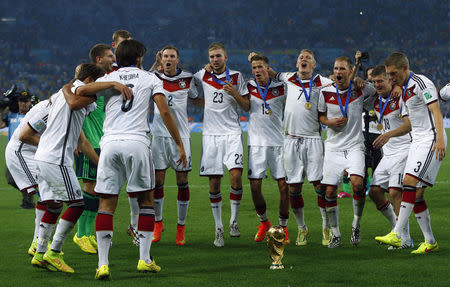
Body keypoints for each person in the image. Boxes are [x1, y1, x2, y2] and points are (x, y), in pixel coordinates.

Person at [92, 39, 186, 279]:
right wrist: (178, 142)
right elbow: (164, 111)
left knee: (106, 204)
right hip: (137, 142)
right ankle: (144, 259)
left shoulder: (106, 80)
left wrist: (110, 83)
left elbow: (80, 92)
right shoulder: (150, 78)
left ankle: (103, 264)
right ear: (139, 59)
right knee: (146, 200)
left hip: (110, 143)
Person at [31, 63, 129, 273]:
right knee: (77, 204)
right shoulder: (80, 97)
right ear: (90, 81)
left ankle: (40, 253)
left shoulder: (61, 92)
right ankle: (54, 253)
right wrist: (111, 83)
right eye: (99, 84)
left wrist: (100, 163)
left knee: (55, 205)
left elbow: (82, 141)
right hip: (56, 158)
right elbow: (76, 101)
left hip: (43, 156)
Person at [375, 52, 447, 254]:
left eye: (393, 74)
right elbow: (410, 124)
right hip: (417, 140)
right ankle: (430, 241)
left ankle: (398, 233)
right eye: (388, 75)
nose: (390, 78)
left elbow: (436, 111)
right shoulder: (404, 89)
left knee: (408, 182)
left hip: (431, 139)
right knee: (416, 194)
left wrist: (440, 139)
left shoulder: (421, 83)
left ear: (405, 69)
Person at [263, 49, 335, 246]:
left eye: (308, 58)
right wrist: (255, 59)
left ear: (314, 64)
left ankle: (325, 227)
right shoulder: (288, 78)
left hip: (312, 139)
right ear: (296, 64)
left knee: (319, 186)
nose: (303, 60)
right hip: (290, 140)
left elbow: (343, 84)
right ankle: (302, 229)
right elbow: (268, 71)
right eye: (301, 58)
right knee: (293, 188)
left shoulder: (324, 82)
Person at [318, 53, 377, 248]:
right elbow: (321, 117)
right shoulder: (325, 92)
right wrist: (330, 122)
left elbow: (378, 90)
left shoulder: (360, 90)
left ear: (350, 72)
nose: (338, 72)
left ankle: (356, 225)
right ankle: (335, 234)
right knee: (329, 190)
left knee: (358, 185)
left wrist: (362, 81)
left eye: (342, 68)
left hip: (354, 145)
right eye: (335, 69)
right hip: (333, 147)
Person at [194, 42, 249, 247]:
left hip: (232, 133)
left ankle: (233, 220)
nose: (215, 60)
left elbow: (247, 105)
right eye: (211, 57)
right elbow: (190, 92)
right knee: (214, 183)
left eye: (218, 56)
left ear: (226, 58)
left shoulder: (236, 77)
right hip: (210, 136)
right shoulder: (202, 75)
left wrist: (234, 92)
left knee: (236, 177)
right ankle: (219, 228)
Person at [149, 45, 202, 245]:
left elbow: (196, 98)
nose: (168, 59)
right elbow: (139, 81)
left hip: (182, 137)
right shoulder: (153, 77)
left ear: (178, 60)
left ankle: (181, 227)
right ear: (161, 60)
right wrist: (155, 64)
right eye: (165, 57)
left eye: (172, 56)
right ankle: (158, 223)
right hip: (159, 137)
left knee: (182, 181)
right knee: (158, 181)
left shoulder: (188, 79)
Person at [72, 43, 116, 254]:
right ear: (98, 59)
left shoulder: (102, 82)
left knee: (96, 189)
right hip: (89, 144)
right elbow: (72, 109)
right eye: (109, 56)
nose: (113, 59)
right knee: (90, 189)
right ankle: (81, 234)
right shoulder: (87, 83)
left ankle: (87, 233)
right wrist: (75, 140)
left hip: (102, 142)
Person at [368, 65, 414, 249]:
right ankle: (396, 228)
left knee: (395, 192)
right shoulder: (376, 100)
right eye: (374, 81)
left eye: (381, 80)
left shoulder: (401, 97)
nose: (377, 84)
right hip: (388, 153)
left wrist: (388, 135)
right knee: (374, 192)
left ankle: (405, 238)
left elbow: (409, 125)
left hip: (404, 149)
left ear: (390, 79)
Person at [246, 53, 288, 243]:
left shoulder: (282, 87)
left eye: (260, 67)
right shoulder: (248, 86)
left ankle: (283, 228)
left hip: (278, 144)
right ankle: (264, 223)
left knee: (284, 187)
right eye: (254, 68)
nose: (257, 71)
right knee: (255, 187)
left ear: (268, 68)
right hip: (256, 145)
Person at [5, 99, 51, 256]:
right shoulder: (48, 111)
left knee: (48, 196)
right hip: (21, 152)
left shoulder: (54, 105)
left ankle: (37, 242)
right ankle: (39, 243)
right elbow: (24, 136)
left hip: (34, 153)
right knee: (48, 197)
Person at [1, 91, 34, 208]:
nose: (24, 104)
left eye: (26, 101)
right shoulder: (11, 116)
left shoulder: (32, 116)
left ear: (30, 102)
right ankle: (34, 192)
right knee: (10, 179)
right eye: (21, 101)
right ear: (18, 102)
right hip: (12, 154)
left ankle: (28, 202)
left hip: (27, 153)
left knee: (25, 177)